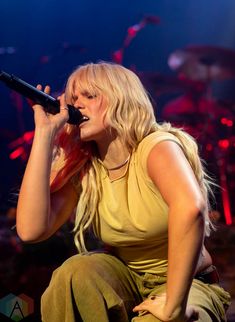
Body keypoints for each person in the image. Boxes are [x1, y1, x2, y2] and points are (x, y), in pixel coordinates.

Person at [16, 62, 230, 322]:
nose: (76, 105)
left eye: (90, 96)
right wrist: (44, 132)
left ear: (121, 99)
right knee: (74, 272)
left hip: (186, 286)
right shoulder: (85, 164)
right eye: (73, 99)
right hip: (123, 279)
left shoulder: (156, 146)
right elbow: (31, 230)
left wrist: (174, 305)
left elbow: (191, 209)